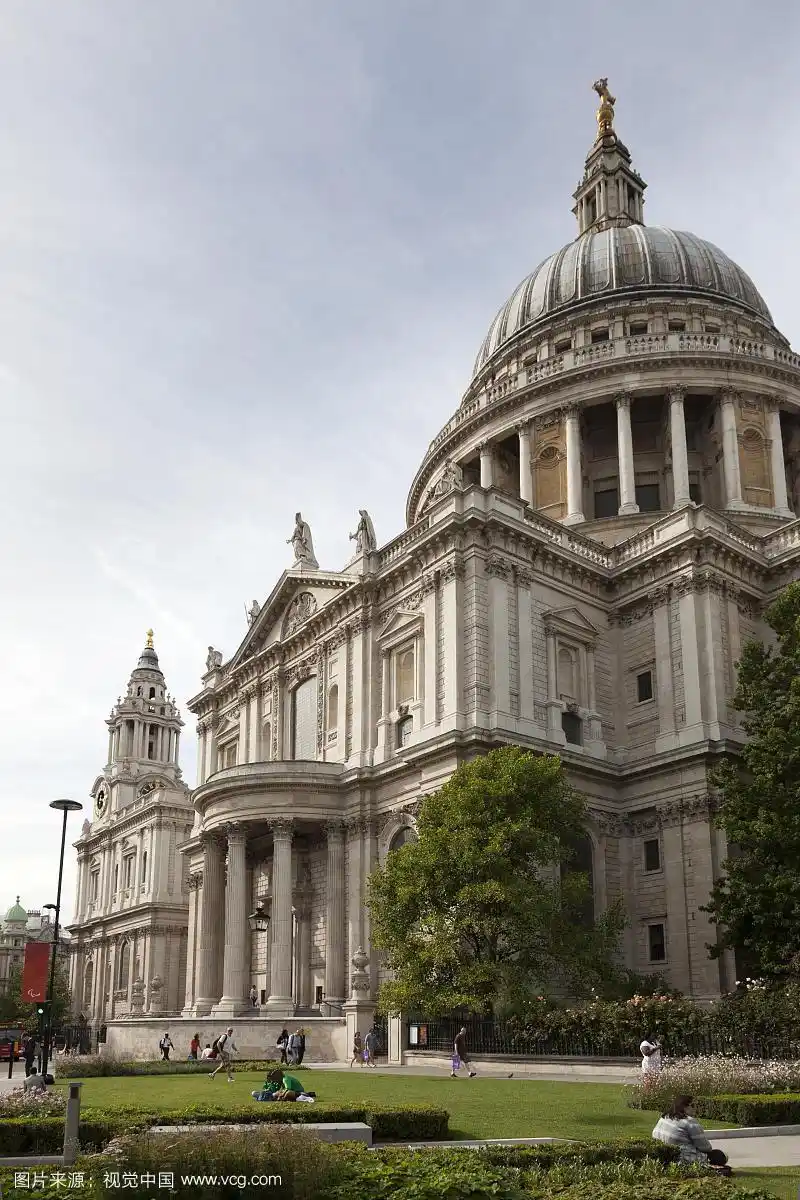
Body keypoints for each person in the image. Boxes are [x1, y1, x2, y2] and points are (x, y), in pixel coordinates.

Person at [652, 1095, 731, 1175]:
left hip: (663, 1157)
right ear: (684, 1107)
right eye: (693, 1106)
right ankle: (714, 1168)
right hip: (683, 1158)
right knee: (720, 1155)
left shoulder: (664, 1117)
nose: (695, 1109)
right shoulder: (689, 1122)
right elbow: (706, 1148)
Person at [251, 1067, 316, 1103]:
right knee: (278, 1093)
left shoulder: (285, 1079)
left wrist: (281, 1095)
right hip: (291, 1093)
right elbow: (278, 1089)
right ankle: (265, 1096)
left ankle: (269, 1097)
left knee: (286, 1093)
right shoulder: (281, 1080)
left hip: (297, 1092)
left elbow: (288, 1089)